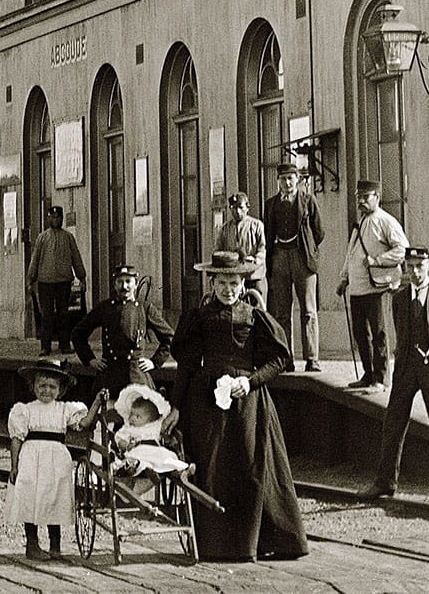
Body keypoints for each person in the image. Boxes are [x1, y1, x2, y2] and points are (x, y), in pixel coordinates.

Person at [165, 249, 308, 563]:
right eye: (222, 283)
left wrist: (252, 381)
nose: (228, 289)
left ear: (243, 284)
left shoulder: (254, 316)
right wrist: (176, 407)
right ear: (212, 284)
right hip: (206, 404)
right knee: (212, 466)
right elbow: (187, 365)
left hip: (247, 403)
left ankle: (255, 542)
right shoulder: (199, 317)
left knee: (250, 464)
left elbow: (280, 359)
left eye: (233, 283)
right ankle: (214, 545)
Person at [362, 247, 429, 505]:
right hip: (406, 369)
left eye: (420, 266)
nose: (415, 271)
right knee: (393, 424)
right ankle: (384, 483)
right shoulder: (399, 298)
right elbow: (401, 333)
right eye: (410, 266)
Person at [7, 356, 91, 561]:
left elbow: (84, 423)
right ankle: (32, 544)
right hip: (31, 459)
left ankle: (55, 546)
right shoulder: (25, 410)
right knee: (30, 498)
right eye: (42, 386)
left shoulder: (64, 410)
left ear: (60, 390)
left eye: (52, 387)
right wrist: (14, 466)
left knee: (56, 498)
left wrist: (97, 402)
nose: (47, 390)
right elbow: (16, 439)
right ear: (33, 386)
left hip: (57, 460)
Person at [336, 179, 408, 390]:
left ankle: (381, 378)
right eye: (359, 197)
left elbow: (403, 250)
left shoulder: (386, 221)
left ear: (377, 197)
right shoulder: (361, 223)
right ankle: (368, 374)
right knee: (360, 335)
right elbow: (351, 254)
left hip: (377, 288)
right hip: (357, 288)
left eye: (366, 197)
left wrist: (378, 260)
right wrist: (344, 279)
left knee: (379, 334)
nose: (361, 201)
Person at [71, 263, 173, 396]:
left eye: (128, 281)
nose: (124, 286)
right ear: (114, 285)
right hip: (109, 375)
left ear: (136, 284)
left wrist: (155, 362)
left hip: (135, 375)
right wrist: (90, 359)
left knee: (141, 406)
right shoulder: (105, 308)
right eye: (120, 282)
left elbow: (169, 337)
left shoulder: (145, 308)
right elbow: (78, 334)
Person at [264, 158, 326, 372]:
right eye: (283, 179)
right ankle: (285, 358)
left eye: (290, 178)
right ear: (278, 181)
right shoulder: (271, 204)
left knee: (308, 310)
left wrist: (307, 249)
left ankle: (312, 359)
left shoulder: (308, 200)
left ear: (298, 179)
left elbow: (319, 232)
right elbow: (268, 232)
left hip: (302, 258)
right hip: (279, 257)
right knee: (282, 312)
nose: (287, 183)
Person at [26, 206, 86, 356]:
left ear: (61, 218)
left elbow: (76, 258)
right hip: (45, 283)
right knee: (46, 315)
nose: (55, 219)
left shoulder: (68, 237)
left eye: (58, 217)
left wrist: (82, 277)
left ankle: (64, 344)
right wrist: (30, 279)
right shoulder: (42, 238)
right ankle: (45, 346)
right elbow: (35, 259)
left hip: (63, 282)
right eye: (52, 217)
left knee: (63, 314)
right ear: (48, 219)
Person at [217, 193, 267, 304]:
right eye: (234, 208)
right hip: (233, 276)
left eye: (241, 207)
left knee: (258, 305)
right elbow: (218, 250)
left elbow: (262, 248)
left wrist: (255, 260)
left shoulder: (257, 225)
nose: (237, 211)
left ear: (247, 207)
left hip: (253, 276)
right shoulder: (225, 228)